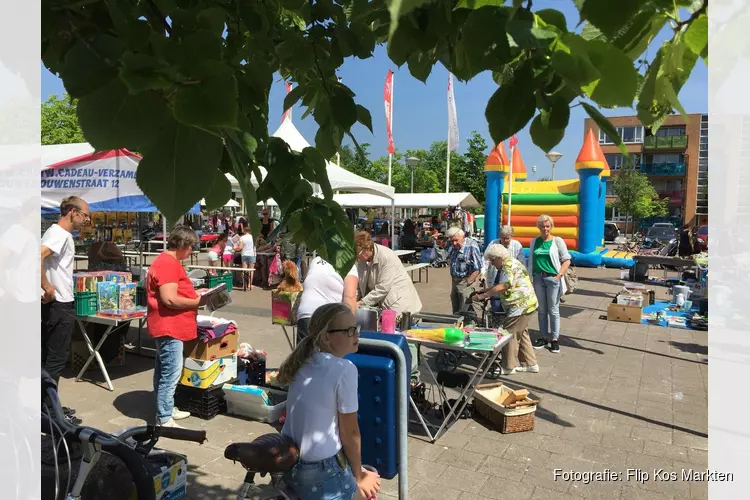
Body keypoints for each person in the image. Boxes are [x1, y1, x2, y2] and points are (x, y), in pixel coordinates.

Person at [278, 303, 381, 500]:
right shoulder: (345, 369)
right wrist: (359, 475)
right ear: (326, 337)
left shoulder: (302, 362)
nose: (356, 334)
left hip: (291, 462)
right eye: (349, 330)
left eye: (356, 328)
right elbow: (350, 432)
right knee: (368, 488)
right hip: (321, 469)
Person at [147, 226, 207, 428]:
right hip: (169, 326)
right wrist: (197, 302)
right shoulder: (168, 264)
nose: (192, 252)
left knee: (164, 369)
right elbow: (170, 299)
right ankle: (164, 417)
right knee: (171, 372)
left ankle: (166, 408)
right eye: (191, 247)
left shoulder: (167, 262)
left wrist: (196, 294)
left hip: (168, 325)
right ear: (183, 245)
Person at [41, 196, 90, 424]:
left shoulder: (60, 234)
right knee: (55, 359)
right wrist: (47, 287)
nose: (87, 219)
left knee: (48, 359)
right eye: (85, 215)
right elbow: (37, 256)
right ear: (72, 212)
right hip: (59, 305)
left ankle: (47, 407)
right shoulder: (59, 234)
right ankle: (51, 413)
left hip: (56, 303)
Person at [473, 244, 540, 375]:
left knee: (508, 334)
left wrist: (484, 296)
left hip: (519, 305)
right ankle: (530, 363)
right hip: (528, 303)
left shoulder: (507, 266)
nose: (492, 264)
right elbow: (504, 284)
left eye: (493, 260)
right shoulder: (512, 262)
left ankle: (509, 366)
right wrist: (486, 290)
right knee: (522, 332)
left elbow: (504, 285)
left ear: (498, 257)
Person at [527, 215, 571, 354]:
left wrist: (559, 276)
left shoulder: (557, 241)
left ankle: (554, 339)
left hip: (552, 279)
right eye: (542, 226)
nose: (545, 228)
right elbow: (531, 260)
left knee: (553, 310)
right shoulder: (534, 241)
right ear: (538, 227)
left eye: (547, 226)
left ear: (551, 226)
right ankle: (543, 336)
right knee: (541, 310)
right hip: (538, 278)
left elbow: (566, 260)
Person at [355, 231, 422, 314]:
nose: (357, 257)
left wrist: (361, 303)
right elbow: (359, 284)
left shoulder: (386, 256)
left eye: (358, 254)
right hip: (382, 307)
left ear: (367, 248)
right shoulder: (362, 260)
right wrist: (352, 300)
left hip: (401, 306)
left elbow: (383, 288)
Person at [296, 256, 359, 342]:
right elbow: (349, 297)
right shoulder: (349, 265)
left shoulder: (316, 260)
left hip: (305, 314)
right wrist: (351, 327)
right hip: (326, 317)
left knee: (305, 353)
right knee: (326, 354)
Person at [445, 227, 483, 322]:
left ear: (462, 237)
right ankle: (459, 328)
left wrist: (467, 282)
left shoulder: (472, 246)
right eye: (452, 240)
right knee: (456, 309)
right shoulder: (453, 245)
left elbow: (477, 268)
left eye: (456, 240)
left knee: (465, 309)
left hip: (465, 280)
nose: (454, 243)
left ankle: (470, 327)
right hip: (455, 280)